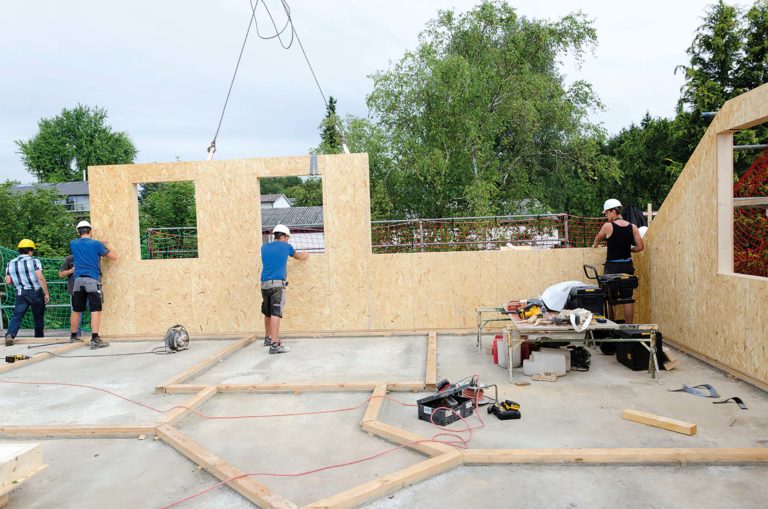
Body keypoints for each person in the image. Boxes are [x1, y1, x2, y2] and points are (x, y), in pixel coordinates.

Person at [592, 198, 644, 323]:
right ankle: (629, 327)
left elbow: (596, 241)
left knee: (612, 299)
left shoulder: (608, 226)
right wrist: (627, 249)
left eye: (606, 213)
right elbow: (640, 247)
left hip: (612, 269)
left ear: (613, 211)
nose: (605, 215)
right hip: (627, 267)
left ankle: (612, 327)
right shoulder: (633, 227)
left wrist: (597, 246)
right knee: (627, 298)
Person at [69, 220, 118, 349]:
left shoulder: (73, 243)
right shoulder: (96, 244)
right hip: (92, 280)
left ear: (78, 232)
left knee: (76, 309)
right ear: (90, 231)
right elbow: (114, 257)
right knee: (95, 309)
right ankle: (95, 339)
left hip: (78, 281)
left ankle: (73, 336)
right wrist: (105, 245)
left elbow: (83, 246)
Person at [261, 224, 308, 354]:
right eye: (287, 238)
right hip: (277, 285)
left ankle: (268, 338)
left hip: (264, 284)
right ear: (282, 237)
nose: (287, 240)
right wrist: (305, 255)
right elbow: (298, 256)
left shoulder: (264, 247)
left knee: (268, 312)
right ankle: (275, 345)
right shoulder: (286, 247)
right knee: (276, 313)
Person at [4, 239, 50, 345]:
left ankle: (10, 334)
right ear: (30, 250)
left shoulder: (11, 263)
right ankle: (38, 338)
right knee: (38, 316)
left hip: (20, 293)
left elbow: (8, 281)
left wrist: (19, 282)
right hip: (35, 292)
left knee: (17, 315)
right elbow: (40, 278)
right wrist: (46, 293)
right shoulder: (34, 261)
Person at [59, 254, 84, 338]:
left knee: (95, 311)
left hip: (90, 289)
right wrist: (71, 270)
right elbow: (61, 274)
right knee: (77, 313)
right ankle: (76, 336)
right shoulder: (69, 259)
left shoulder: (89, 256)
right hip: (75, 290)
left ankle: (95, 336)